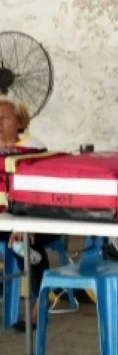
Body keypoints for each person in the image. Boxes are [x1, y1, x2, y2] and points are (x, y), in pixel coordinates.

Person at [0, 97, 50, 330]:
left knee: (25, 244)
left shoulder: (34, 149)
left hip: (27, 216)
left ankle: (39, 303)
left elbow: (38, 193)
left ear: (20, 123)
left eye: (4, 118)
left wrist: (23, 224)